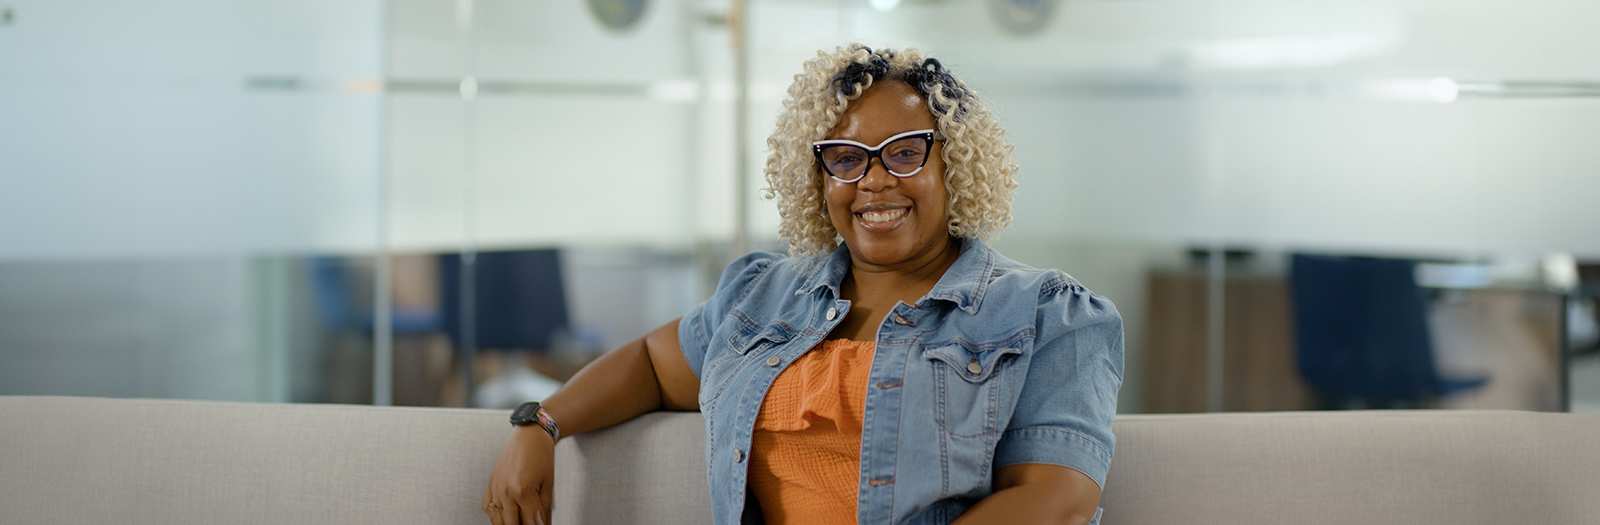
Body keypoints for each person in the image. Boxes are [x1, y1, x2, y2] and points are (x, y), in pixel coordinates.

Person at [483, 44, 1123, 525]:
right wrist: (538, 424)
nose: (874, 180)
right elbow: (653, 363)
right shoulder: (764, 296)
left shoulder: (1045, 311)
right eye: (845, 159)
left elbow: (1058, 498)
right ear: (820, 182)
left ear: (952, 164)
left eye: (905, 152)